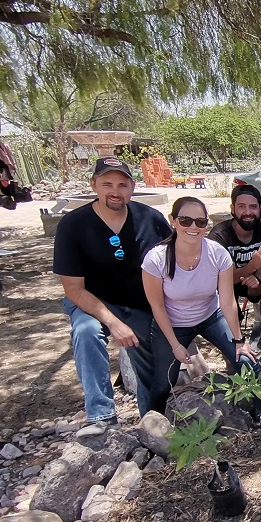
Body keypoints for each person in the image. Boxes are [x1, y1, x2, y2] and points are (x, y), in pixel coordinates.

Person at [54, 156, 172, 438]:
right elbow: (73, 289)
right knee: (86, 333)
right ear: (94, 185)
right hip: (93, 303)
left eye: (122, 184)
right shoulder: (73, 225)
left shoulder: (150, 219)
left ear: (132, 187)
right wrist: (114, 323)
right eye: (107, 184)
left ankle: (152, 419)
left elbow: (172, 264)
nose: (115, 191)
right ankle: (101, 415)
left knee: (153, 354)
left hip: (139, 304)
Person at [142, 197, 261, 430]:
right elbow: (157, 307)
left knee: (245, 359)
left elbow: (226, 300)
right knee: (163, 381)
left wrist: (238, 340)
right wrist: (175, 345)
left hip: (210, 315)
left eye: (200, 222)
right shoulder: (157, 258)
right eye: (185, 220)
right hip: (173, 323)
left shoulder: (217, 253)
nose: (193, 227)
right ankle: (152, 425)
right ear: (173, 221)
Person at [208, 184, 261, 360]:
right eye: (241, 206)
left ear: (260, 208)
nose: (248, 212)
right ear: (232, 209)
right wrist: (251, 267)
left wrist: (257, 277)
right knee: (225, 297)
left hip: (251, 281)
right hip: (225, 286)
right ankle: (235, 341)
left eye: (252, 207)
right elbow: (222, 279)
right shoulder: (219, 236)